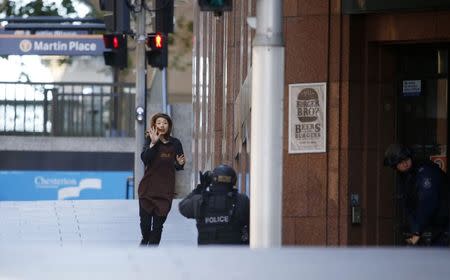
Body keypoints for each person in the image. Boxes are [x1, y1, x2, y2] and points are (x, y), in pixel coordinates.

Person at [384, 144, 449, 246]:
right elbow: (408, 205)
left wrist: (417, 231)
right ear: (395, 166)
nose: (404, 163)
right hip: (436, 229)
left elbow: (428, 201)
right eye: (400, 162)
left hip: (443, 227)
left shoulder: (425, 171)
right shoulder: (406, 177)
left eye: (406, 158)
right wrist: (415, 229)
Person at [138, 113, 185, 246]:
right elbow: (145, 159)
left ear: (169, 126)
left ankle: (152, 255)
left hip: (165, 191)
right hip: (147, 189)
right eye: (159, 123)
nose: (162, 125)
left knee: (158, 227)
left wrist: (180, 164)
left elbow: (178, 165)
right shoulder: (149, 139)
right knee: (145, 226)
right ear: (154, 125)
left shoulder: (175, 143)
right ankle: (144, 241)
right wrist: (153, 143)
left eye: (165, 123)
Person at [179, 164, 250, 245]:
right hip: (236, 254)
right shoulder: (242, 200)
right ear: (233, 181)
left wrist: (201, 187)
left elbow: (183, 207)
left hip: (206, 255)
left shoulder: (200, 200)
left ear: (212, 180)